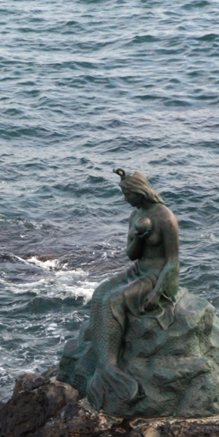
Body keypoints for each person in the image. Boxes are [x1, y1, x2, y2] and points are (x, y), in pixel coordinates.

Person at [57, 168, 180, 410]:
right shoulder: (136, 216)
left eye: (127, 195)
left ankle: (111, 367)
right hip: (139, 270)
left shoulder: (166, 218)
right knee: (100, 294)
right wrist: (139, 237)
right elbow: (131, 255)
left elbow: (173, 261)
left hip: (156, 275)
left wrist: (157, 292)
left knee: (114, 300)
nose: (125, 199)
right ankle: (105, 364)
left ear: (139, 192)